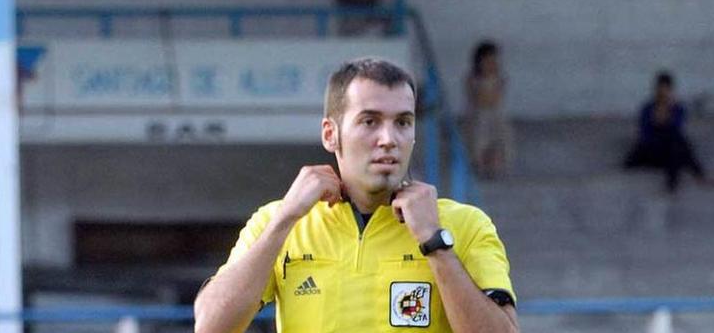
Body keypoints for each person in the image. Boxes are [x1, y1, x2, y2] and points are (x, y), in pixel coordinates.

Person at [194, 58, 518, 333]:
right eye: (369, 121)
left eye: (403, 122)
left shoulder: (462, 224)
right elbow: (210, 325)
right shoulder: (278, 221)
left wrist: (436, 245)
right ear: (330, 134)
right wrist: (285, 220)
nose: (389, 139)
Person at [624, 71, 714, 194]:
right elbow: (644, 135)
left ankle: (673, 185)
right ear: (656, 90)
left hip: (668, 152)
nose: (662, 92)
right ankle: (700, 176)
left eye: (666, 89)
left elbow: (677, 127)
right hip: (651, 151)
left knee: (676, 141)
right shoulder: (647, 108)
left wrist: (668, 114)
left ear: (670, 90)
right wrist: (656, 119)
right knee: (678, 144)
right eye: (660, 89)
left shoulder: (678, 109)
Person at [465, 41, 513, 179]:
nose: (491, 64)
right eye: (488, 61)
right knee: (480, 142)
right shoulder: (473, 80)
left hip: (496, 117)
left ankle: (497, 167)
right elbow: (481, 100)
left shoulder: (499, 79)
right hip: (480, 118)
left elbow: (496, 98)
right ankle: (480, 166)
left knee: (500, 141)